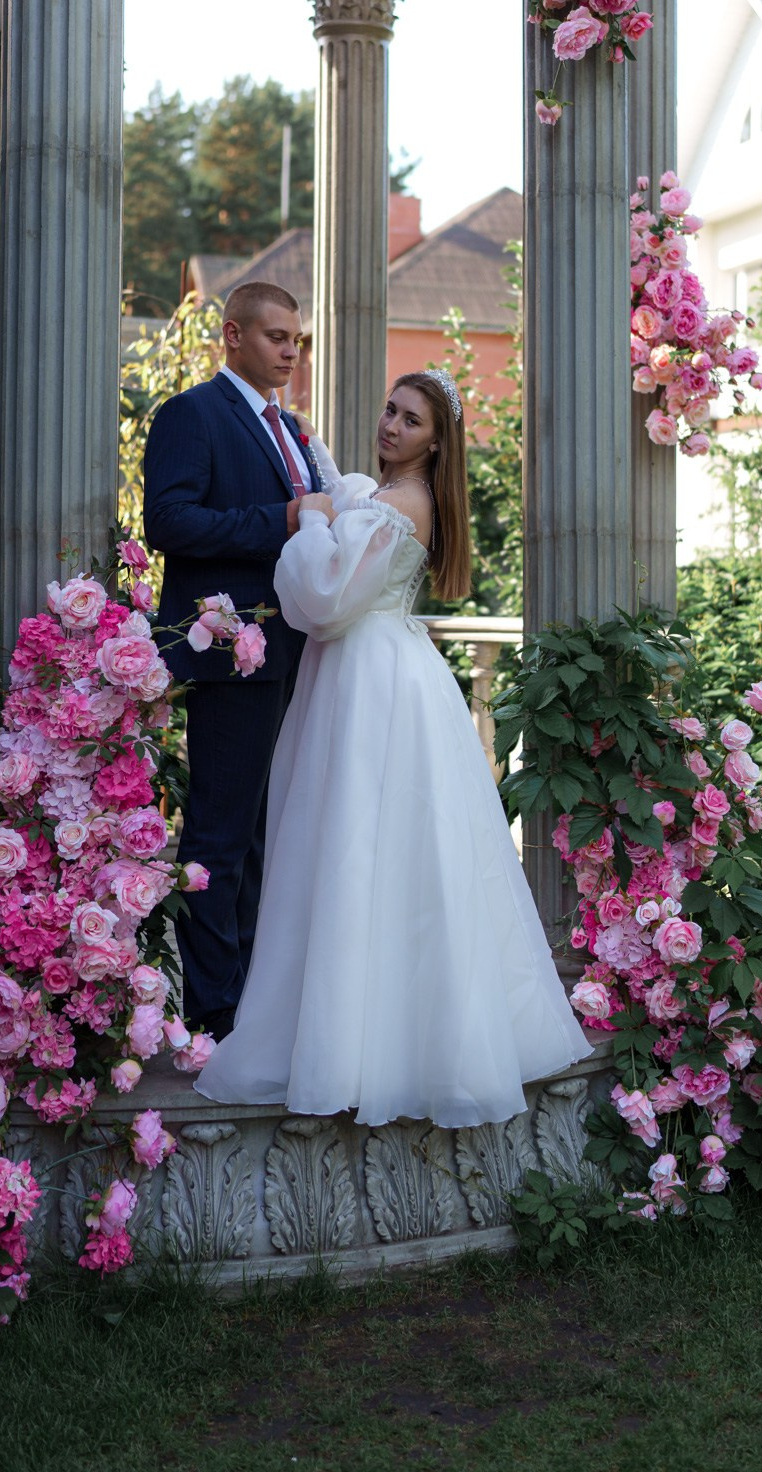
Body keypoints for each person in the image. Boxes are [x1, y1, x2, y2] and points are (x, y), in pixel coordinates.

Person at [196, 370, 591, 1127]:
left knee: (357, 845)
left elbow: (327, 598)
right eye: (389, 409)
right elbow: (348, 494)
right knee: (359, 848)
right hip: (375, 671)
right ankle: (357, 1031)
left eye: (411, 421)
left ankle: (370, 1048)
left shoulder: (402, 505)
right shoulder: (392, 497)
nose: (391, 425)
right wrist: (318, 463)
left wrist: (310, 525)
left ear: (436, 443)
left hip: (369, 680)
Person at [143, 281, 323, 1043]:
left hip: (291, 654)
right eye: (277, 336)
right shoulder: (192, 414)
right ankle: (213, 1013)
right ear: (232, 335)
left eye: (297, 340)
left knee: (261, 836)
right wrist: (283, 518)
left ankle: (248, 1003)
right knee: (219, 836)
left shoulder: (291, 430)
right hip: (229, 656)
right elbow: (169, 521)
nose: (290, 351)